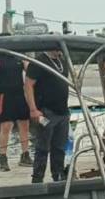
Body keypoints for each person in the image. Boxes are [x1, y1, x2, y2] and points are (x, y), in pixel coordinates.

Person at [24, 49, 71, 183]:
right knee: (43, 146)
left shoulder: (62, 61)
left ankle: (58, 175)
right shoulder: (38, 62)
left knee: (60, 146)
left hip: (62, 111)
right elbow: (28, 85)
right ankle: (38, 177)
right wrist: (33, 109)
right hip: (46, 111)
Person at [0, 55, 31, 171]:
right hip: (5, 97)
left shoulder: (20, 59)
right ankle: (3, 158)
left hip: (20, 96)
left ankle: (25, 155)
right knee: (5, 127)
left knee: (24, 126)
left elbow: (31, 73)